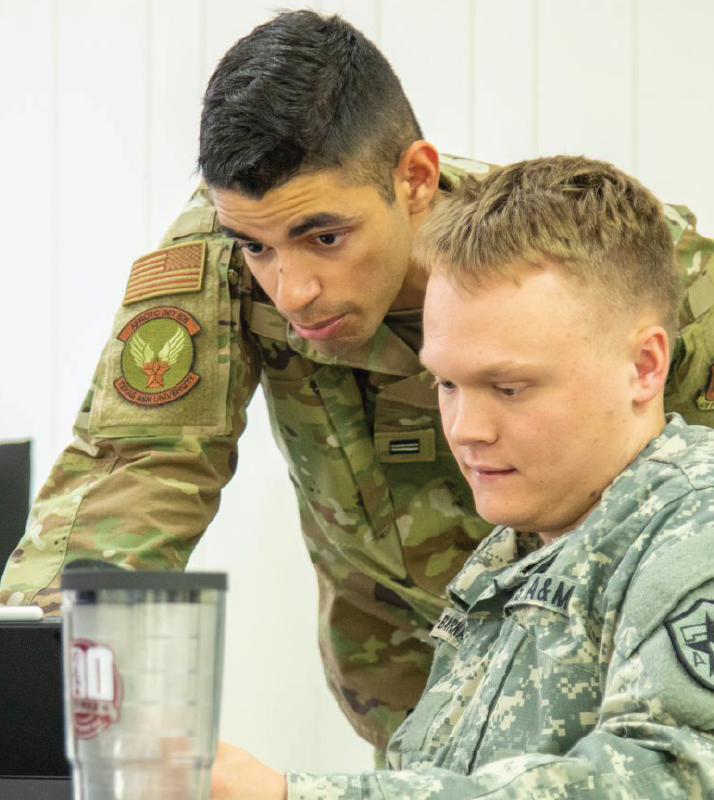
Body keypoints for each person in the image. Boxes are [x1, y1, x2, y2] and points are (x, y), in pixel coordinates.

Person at [0, 10, 714, 752]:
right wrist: (37, 692)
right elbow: (134, 470)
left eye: (326, 238)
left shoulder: (594, 263)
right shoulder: (222, 252)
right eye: (257, 248)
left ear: (415, 180)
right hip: (408, 696)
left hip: (607, 674)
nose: (292, 288)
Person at [209, 154, 714, 799]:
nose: (465, 430)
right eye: (445, 383)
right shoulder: (510, 553)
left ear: (645, 367)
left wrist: (291, 797)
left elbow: (668, 781)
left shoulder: (693, 527)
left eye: (508, 386)